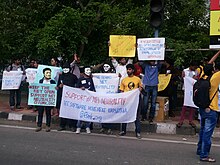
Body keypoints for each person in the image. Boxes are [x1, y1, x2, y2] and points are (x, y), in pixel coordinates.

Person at [197, 62, 220, 162]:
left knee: (202, 130)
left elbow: (208, 64)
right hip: (212, 109)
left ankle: (199, 150)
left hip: (202, 108)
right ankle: (204, 155)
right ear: (213, 70)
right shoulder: (214, 79)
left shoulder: (203, 76)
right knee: (207, 133)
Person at [118, 64, 143, 139]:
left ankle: (138, 132)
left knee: (136, 116)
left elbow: (141, 87)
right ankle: (123, 130)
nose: (128, 71)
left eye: (129, 69)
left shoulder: (137, 79)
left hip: (136, 100)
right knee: (124, 114)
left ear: (133, 70)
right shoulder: (124, 80)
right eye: (127, 69)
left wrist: (139, 90)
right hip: (127, 100)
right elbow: (121, 91)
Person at [56, 62, 78, 131]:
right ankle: (62, 125)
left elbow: (77, 85)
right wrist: (58, 86)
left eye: (67, 68)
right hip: (62, 96)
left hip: (71, 97)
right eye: (64, 68)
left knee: (71, 112)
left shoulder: (73, 76)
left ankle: (72, 126)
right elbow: (57, 85)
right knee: (62, 112)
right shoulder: (61, 76)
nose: (65, 70)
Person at [177, 61, 199, 128]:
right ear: (191, 66)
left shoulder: (196, 72)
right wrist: (183, 77)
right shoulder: (185, 71)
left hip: (193, 89)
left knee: (193, 105)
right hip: (186, 89)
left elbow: (196, 80)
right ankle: (181, 120)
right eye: (194, 67)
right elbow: (182, 80)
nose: (195, 68)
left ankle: (190, 120)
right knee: (185, 105)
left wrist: (196, 78)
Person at [76, 66, 96, 134]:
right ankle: (78, 127)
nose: (89, 72)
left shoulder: (92, 79)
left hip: (89, 99)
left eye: (89, 70)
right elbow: (76, 87)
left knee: (88, 113)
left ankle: (88, 127)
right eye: (87, 70)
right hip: (82, 99)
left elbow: (94, 88)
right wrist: (80, 88)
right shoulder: (80, 79)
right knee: (81, 113)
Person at [35, 68, 56, 132]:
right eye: (47, 73)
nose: (48, 74)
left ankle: (48, 126)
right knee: (40, 113)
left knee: (48, 113)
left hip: (48, 101)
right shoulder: (40, 81)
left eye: (49, 73)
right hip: (41, 100)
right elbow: (36, 89)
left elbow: (54, 90)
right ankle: (39, 126)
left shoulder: (53, 82)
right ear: (44, 74)